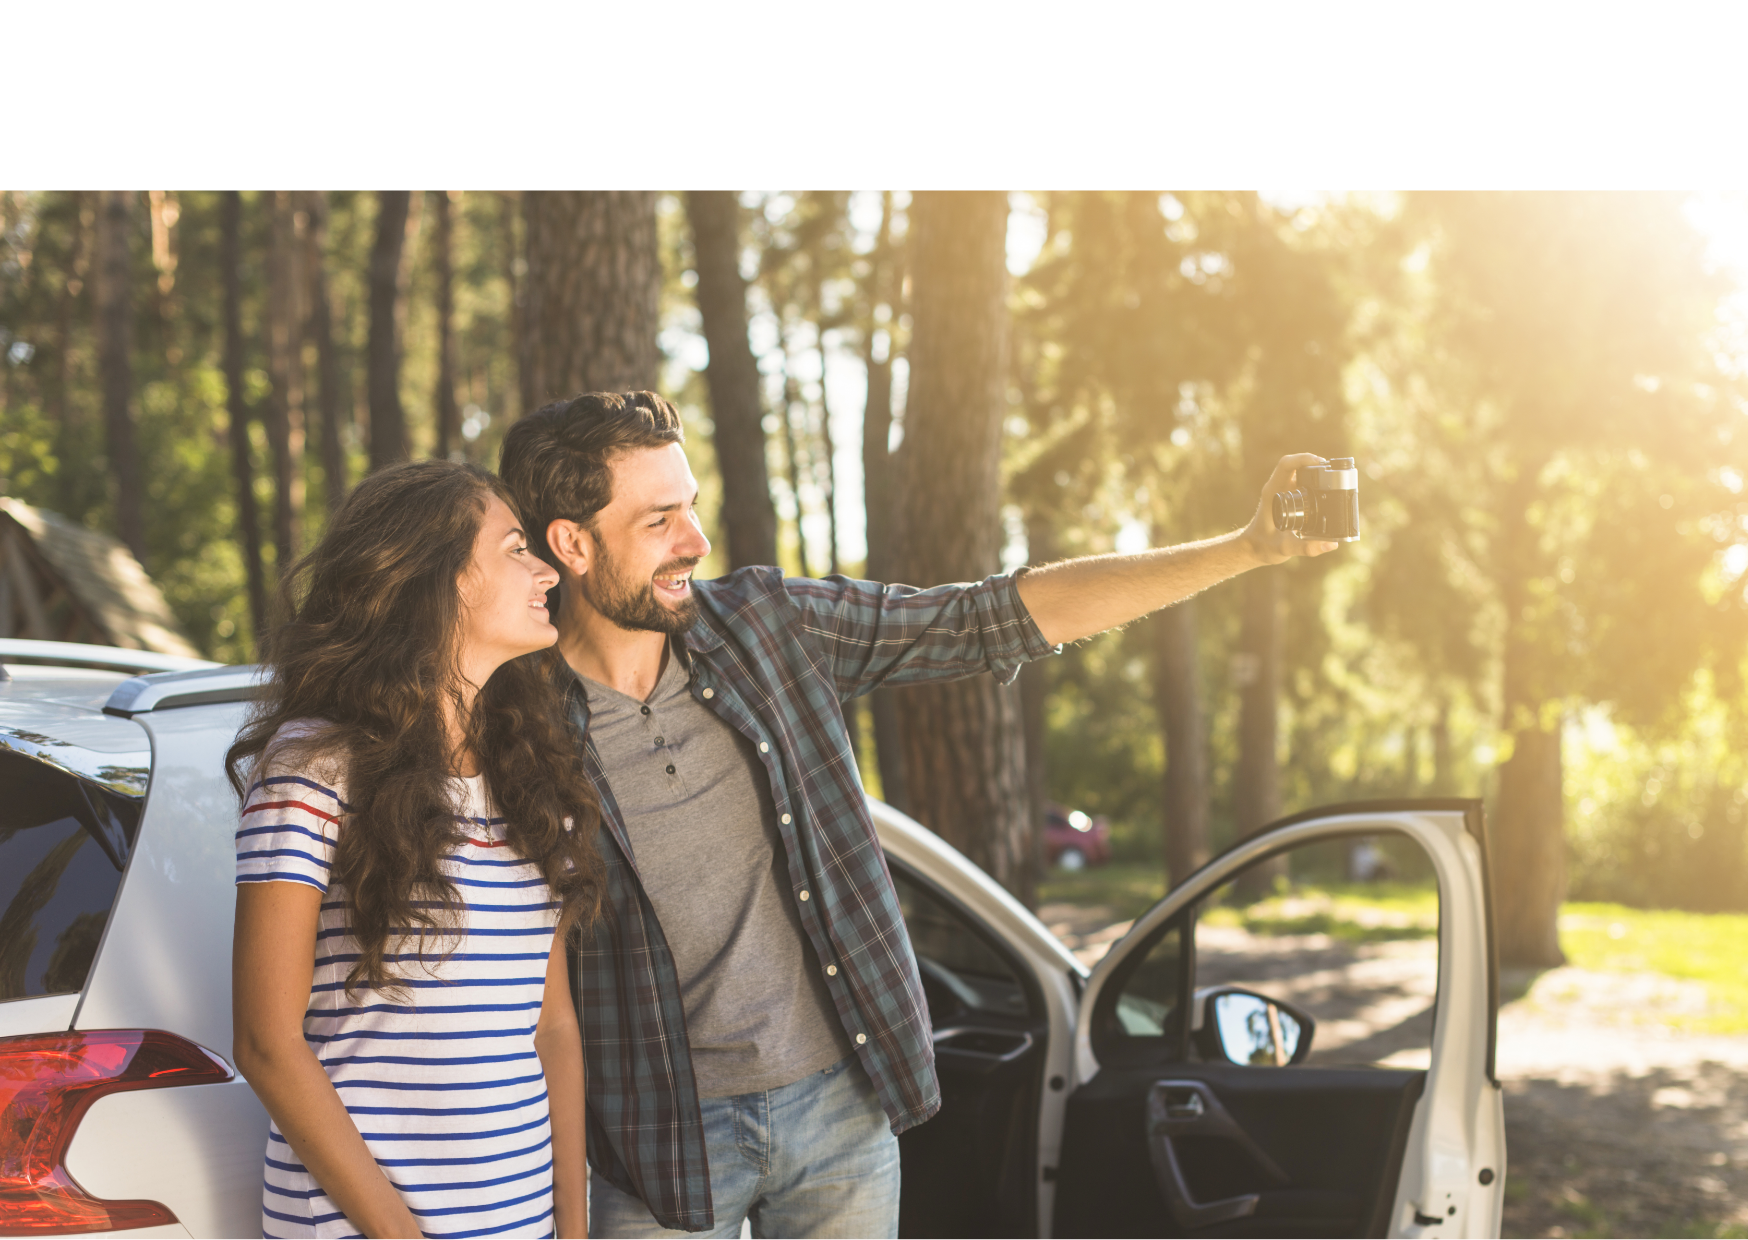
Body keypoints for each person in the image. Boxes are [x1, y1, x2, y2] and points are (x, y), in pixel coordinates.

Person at [499, 391, 1336, 1240]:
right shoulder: (511, 722)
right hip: (652, 1143)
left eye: (695, 509)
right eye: (660, 521)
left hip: (838, 1113)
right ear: (572, 543)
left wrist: (1247, 548)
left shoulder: (768, 626)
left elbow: (990, 618)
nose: (697, 542)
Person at [228, 461, 608, 1240]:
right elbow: (266, 1042)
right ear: (438, 579)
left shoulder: (535, 775)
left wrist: (571, 1228)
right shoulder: (316, 766)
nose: (547, 570)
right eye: (515, 549)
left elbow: (552, 1029)